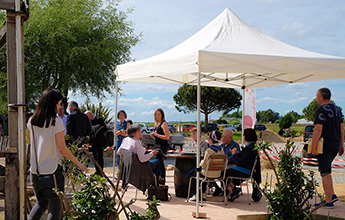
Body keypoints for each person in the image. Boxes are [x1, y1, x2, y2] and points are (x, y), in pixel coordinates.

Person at [27, 89, 87, 220]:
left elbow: (31, 142)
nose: (60, 106)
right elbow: (62, 148)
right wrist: (78, 163)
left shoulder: (32, 121)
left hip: (35, 171)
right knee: (55, 208)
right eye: (59, 103)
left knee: (41, 204)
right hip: (52, 171)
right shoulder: (56, 121)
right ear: (53, 103)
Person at [312, 88, 344, 209]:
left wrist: (313, 146)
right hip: (335, 144)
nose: (316, 98)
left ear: (321, 97)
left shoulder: (320, 110)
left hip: (324, 145)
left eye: (317, 96)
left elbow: (318, 129)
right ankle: (332, 194)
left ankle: (328, 201)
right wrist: (341, 145)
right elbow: (342, 128)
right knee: (326, 169)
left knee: (325, 172)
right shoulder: (337, 109)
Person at [225, 128, 259, 202]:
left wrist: (234, 155)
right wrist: (237, 153)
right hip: (247, 169)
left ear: (247, 136)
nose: (243, 136)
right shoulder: (253, 146)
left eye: (244, 135)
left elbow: (241, 162)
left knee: (223, 173)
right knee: (226, 172)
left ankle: (233, 190)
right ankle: (233, 188)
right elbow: (244, 158)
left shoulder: (250, 148)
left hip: (244, 170)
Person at [189, 130, 224, 201]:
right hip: (218, 173)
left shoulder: (209, 150)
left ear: (211, 140)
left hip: (208, 173)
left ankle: (195, 194)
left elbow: (204, 164)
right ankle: (203, 194)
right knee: (201, 173)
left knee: (194, 173)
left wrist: (200, 164)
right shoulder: (222, 149)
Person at [213, 129, 241, 196]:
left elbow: (233, 159)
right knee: (212, 170)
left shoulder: (235, 146)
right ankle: (229, 189)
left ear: (230, 138)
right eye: (223, 137)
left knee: (222, 171)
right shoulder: (221, 146)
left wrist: (222, 161)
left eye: (225, 137)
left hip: (232, 165)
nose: (223, 139)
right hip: (222, 165)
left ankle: (230, 190)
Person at [150, 108, 170, 185]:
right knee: (157, 162)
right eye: (156, 114)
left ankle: (162, 179)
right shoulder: (156, 124)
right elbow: (157, 138)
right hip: (156, 144)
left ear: (162, 115)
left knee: (160, 162)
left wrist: (157, 135)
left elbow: (167, 137)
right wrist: (153, 136)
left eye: (158, 114)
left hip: (162, 146)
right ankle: (157, 179)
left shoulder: (164, 124)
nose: (157, 116)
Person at [85, 111, 107, 175]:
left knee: (99, 157)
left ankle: (100, 171)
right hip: (94, 143)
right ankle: (97, 170)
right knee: (94, 157)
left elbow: (103, 129)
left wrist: (93, 129)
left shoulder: (99, 119)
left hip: (99, 142)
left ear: (91, 114)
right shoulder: (90, 122)